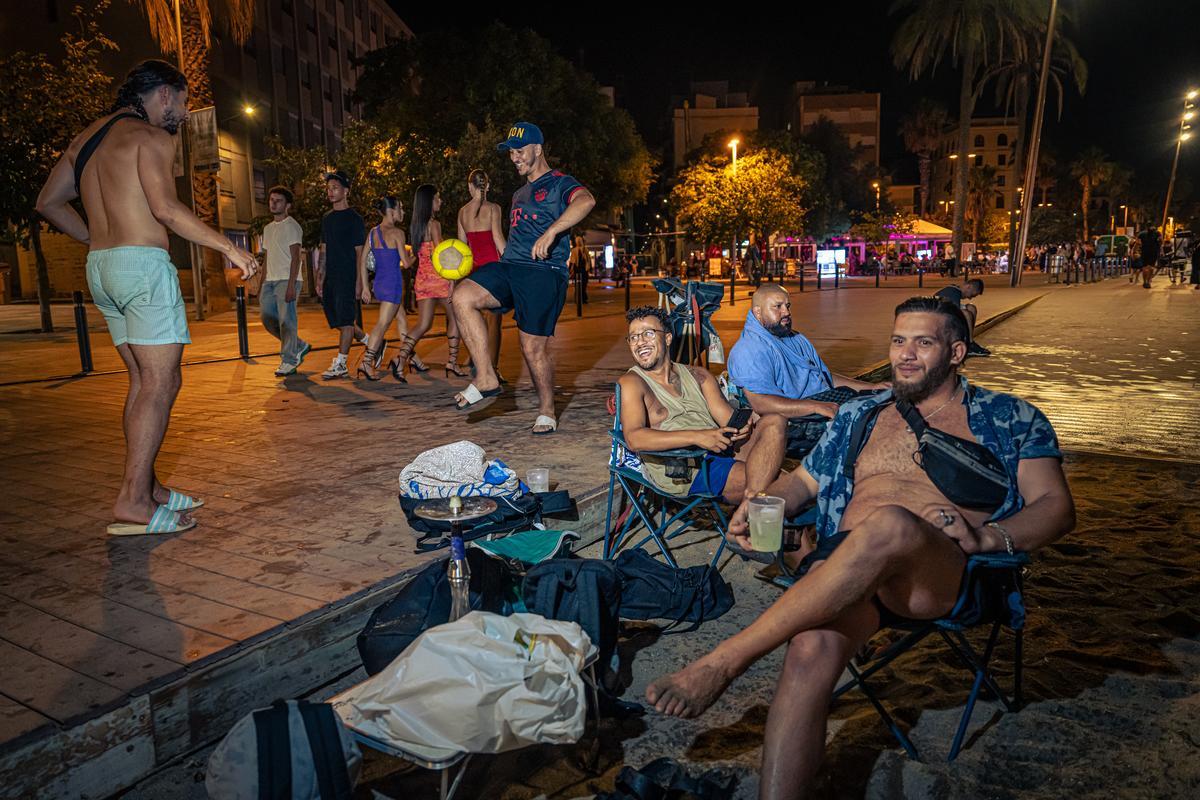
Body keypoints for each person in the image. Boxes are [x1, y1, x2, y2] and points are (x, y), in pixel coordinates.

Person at [645, 297, 1075, 800]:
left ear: (957, 352)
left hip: (939, 574)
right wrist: (763, 505)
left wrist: (988, 537)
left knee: (890, 524)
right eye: (898, 341)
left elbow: (1055, 506)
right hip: (846, 573)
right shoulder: (861, 414)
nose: (905, 355)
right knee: (808, 651)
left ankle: (723, 662)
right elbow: (803, 484)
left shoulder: (1009, 417)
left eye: (923, 343)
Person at [34, 59, 257, 535]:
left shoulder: (86, 140)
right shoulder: (153, 138)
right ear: (162, 95)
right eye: (183, 100)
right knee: (161, 383)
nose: (184, 110)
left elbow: (48, 203)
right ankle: (133, 500)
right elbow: (164, 208)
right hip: (141, 268)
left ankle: (148, 487)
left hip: (103, 269)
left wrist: (97, 239)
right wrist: (228, 247)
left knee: (141, 381)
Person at [451, 122, 597, 435]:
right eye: (511, 153)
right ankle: (486, 376)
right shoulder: (518, 194)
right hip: (512, 265)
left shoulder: (560, 182)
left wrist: (552, 231)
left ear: (537, 149)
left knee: (532, 348)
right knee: (462, 296)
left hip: (544, 271)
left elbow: (586, 201)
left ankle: (546, 410)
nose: (515, 158)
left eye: (520, 151)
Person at [619, 306, 787, 503]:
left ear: (667, 338)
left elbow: (728, 421)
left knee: (775, 421)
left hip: (718, 448)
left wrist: (744, 425)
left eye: (648, 333)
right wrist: (698, 436)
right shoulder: (632, 382)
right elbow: (634, 438)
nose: (640, 342)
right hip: (686, 467)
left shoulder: (698, 375)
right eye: (633, 337)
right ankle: (752, 507)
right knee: (782, 485)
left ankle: (750, 505)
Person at [728, 284, 878, 422]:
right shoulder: (749, 350)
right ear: (758, 312)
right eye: (777, 307)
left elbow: (823, 376)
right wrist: (814, 407)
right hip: (796, 418)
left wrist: (871, 387)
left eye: (787, 306)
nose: (786, 312)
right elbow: (761, 403)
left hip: (823, 401)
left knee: (881, 405)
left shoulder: (795, 338)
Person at [389, 184, 466, 379]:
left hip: (422, 281)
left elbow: (418, 255)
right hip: (439, 279)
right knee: (456, 318)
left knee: (423, 324)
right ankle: (452, 362)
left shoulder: (416, 227)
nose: (440, 201)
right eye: (437, 198)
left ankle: (400, 359)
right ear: (429, 202)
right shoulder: (434, 225)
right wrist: (451, 281)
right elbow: (440, 254)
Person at [355, 195, 428, 381]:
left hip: (379, 283)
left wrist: (365, 287)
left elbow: (363, 260)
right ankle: (366, 361)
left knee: (402, 320)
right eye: (401, 208)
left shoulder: (373, 232)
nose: (403, 212)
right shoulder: (397, 233)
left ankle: (412, 358)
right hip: (393, 284)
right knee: (382, 324)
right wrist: (416, 254)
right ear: (391, 211)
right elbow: (406, 262)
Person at [316, 170, 368, 379]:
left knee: (346, 320)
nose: (331, 192)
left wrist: (359, 281)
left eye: (335, 188)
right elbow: (323, 249)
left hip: (348, 276)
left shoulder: (354, 219)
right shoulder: (327, 219)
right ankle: (372, 343)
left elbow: (359, 253)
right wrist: (320, 277)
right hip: (331, 277)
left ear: (346, 191)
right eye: (328, 188)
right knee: (338, 320)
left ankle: (341, 363)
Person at [456, 170, 507, 380]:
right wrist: (513, 264)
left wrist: (457, 280)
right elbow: (498, 240)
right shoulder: (494, 209)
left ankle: (476, 360)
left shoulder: (462, 212)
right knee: (494, 320)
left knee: (474, 317)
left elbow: (461, 248)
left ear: (470, 187)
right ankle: (492, 369)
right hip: (493, 268)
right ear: (488, 186)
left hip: (474, 270)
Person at [259, 186, 311, 377]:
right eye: (271, 200)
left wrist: (291, 285)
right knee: (267, 319)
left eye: (278, 200)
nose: (273, 203)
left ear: (287, 205)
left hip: (287, 281)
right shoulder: (267, 228)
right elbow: (266, 258)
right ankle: (298, 345)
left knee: (286, 321)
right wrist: (261, 284)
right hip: (270, 281)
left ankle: (289, 360)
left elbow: (296, 258)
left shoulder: (292, 226)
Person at [935, 277, 989, 356]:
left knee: (971, 308)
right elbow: (955, 314)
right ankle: (969, 343)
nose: (970, 298)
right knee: (966, 313)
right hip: (937, 320)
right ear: (968, 287)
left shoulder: (955, 291)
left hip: (943, 315)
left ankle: (969, 341)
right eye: (972, 295)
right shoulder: (953, 292)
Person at [569, 235, 590, 304]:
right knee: (582, 284)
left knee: (579, 285)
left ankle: (580, 298)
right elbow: (588, 260)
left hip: (579, 270)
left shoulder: (577, 250)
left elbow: (572, 262)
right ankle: (582, 298)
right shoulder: (583, 249)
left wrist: (570, 270)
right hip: (582, 270)